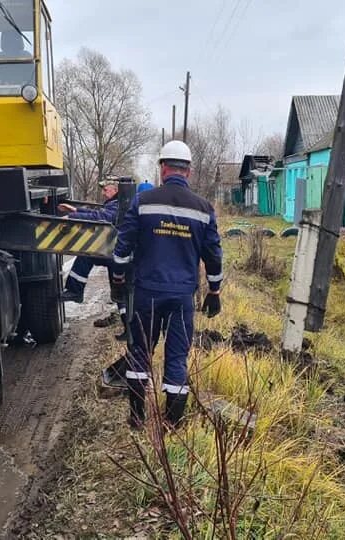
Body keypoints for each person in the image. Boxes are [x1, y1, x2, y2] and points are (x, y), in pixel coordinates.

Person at [110, 141, 223, 430]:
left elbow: (123, 246)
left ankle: (136, 419)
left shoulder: (143, 202)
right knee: (176, 357)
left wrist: (119, 278)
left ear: (162, 168)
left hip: (147, 293)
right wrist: (214, 289)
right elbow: (213, 253)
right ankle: (173, 424)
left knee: (139, 353)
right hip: (182, 296)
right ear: (190, 171)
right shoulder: (204, 209)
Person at [59, 178, 121, 305]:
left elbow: (103, 217)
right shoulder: (117, 202)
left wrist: (72, 217)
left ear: (116, 189)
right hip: (117, 251)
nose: (103, 193)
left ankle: (75, 291)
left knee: (87, 255)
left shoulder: (118, 204)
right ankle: (75, 291)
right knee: (121, 296)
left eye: (106, 190)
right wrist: (76, 211)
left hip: (117, 253)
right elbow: (98, 213)